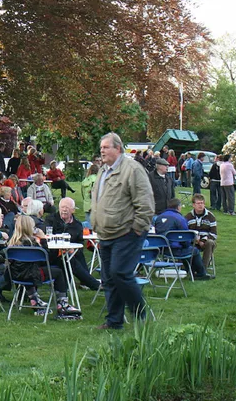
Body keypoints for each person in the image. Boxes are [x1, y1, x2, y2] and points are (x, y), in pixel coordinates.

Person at [90, 132, 154, 330]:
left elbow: (145, 202)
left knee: (120, 273)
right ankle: (114, 321)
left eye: (106, 147)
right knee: (109, 278)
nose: (102, 150)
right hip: (105, 233)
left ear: (118, 148)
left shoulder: (133, 169)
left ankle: (140, 314)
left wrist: (137, 229)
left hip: (126, 232)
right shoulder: (103, 171)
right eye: (101, 147)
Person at [8, 211, 81, 317]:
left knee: (28, 269)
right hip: (33, 275)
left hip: (17, 276)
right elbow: (47, 258)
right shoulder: (32, 244)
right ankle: (62, 303)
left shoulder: (12, 244)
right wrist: (43, 239)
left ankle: (34, 298)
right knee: (58, 272)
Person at [42, 198, 101, 291]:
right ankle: (93, 284)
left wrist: (72, 250)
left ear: (73, 210)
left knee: (74, 256)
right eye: (62, 207)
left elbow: (80, 243)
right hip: (52, 254)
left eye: (67, 208)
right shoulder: (51, 219)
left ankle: (79, 283)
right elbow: (46, 237)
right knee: (68, 259)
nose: (64, 210)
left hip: (69, 254)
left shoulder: (77, 225)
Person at [152, 199, 209, 280]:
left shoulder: (158, 217)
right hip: (174, 250)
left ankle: (190, 272)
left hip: (160, 249)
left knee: (187, 249)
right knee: (193, 250)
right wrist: (187, 244)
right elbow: (185, 237)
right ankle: (201, 274)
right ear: (178, 207)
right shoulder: (180, 218)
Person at [185, 194, 217, 274]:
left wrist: (203, 240)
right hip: (192, 241)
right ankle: (187, 267)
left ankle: (203, 269)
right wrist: (194, 240)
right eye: (198, 203)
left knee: (210, 243)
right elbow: (185, 232)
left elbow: (214, 234)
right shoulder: (188, 217)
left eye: (202, 203)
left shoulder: (210, 216)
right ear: (193, 205)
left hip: (206, 241)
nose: (200, 205)